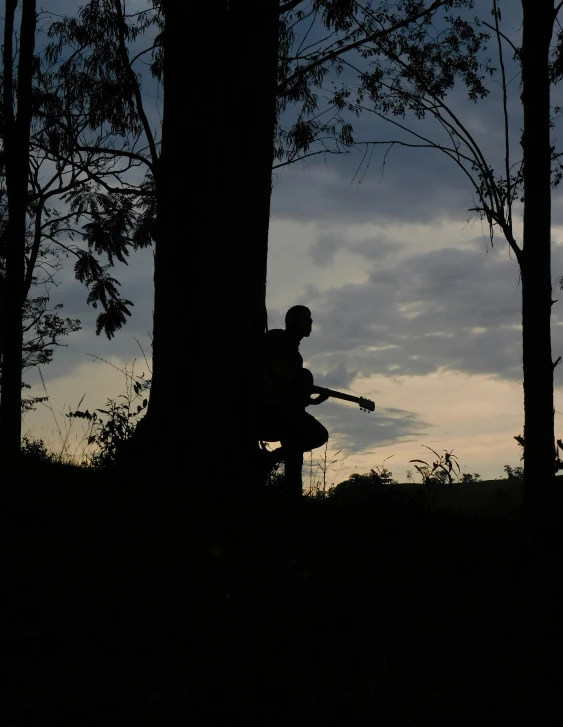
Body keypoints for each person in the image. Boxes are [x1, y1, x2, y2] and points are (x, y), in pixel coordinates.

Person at [254, 305, 329, 496]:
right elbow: (256, 364)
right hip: (265, 410)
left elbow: (293, 397)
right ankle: (289, 490)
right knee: (311, 436)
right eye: (306, 318)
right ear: (291, 321)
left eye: (310, 318)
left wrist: (311, 401)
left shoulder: (296, 358)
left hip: (285, 412)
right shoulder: (274, 339)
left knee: (304, 441)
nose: (310, 322)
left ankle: (279, 472)